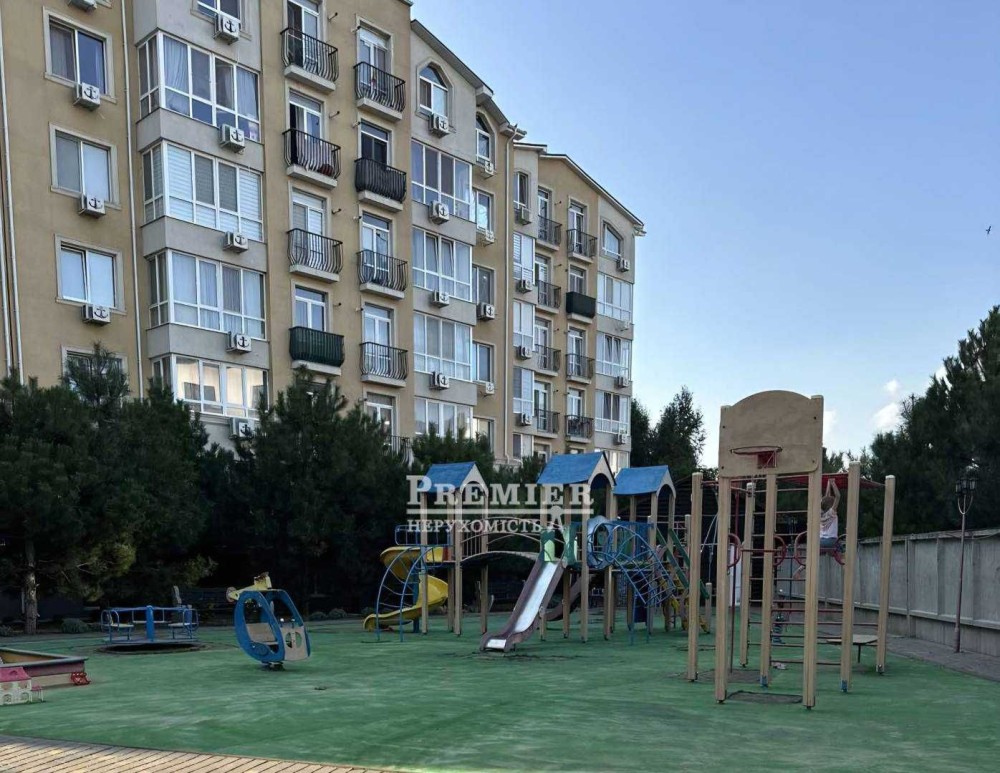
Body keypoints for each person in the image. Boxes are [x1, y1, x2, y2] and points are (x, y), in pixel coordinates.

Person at [819, 479, 841, 552]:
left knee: (834, 546)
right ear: (831, 505)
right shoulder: (831, 513)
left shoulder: (820, 514)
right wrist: (832, 483)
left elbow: (826, 497)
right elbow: (838, 496)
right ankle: (841, 555)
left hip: (820, 541)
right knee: (840, 546)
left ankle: (829, 553)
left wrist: (828, 483)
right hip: (831, 541)